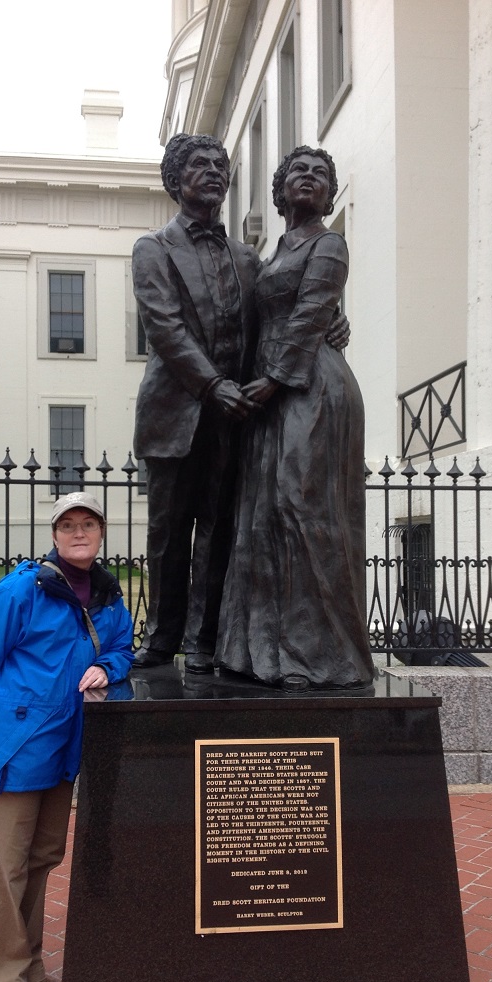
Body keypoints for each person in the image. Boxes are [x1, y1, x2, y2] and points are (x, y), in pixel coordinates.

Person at [132, 133, 348, 676]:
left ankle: (204, 641)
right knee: (168, 534)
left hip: (238, 417)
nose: (213, 171)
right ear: (175, 179)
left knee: (219, 532)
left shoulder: (250, 258)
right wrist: (211, 386)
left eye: (219, 165)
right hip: (178, 410)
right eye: (199, 164)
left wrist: (334, 320)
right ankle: (161, 638)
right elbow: (165, 328)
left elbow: (282, 308)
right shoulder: (152, 248)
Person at [0, 491, 134, 982]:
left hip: (65, 745)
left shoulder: (107, 595)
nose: (79, 533)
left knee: (43, 856)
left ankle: (29, 963)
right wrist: (1, 719)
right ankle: (0, 978)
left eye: (88, 524)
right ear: (54, 534)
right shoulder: (23, 589)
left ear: (101, 532)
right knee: (6, 863)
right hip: (17, 744)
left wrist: (108, 667)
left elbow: (122, 647)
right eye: (68, 525)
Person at [215, 146, 375, 691]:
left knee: (303, 507)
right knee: (263, 517)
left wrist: (274, 380)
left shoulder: (330, 244)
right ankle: (261, 652)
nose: (309, 178)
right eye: (299, 172)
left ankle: (322, 655)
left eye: (321, 174)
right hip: (272, 395)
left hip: (311, 389)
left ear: (329, 195)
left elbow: (310, 314)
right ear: (281, 191)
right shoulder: (275, 253)